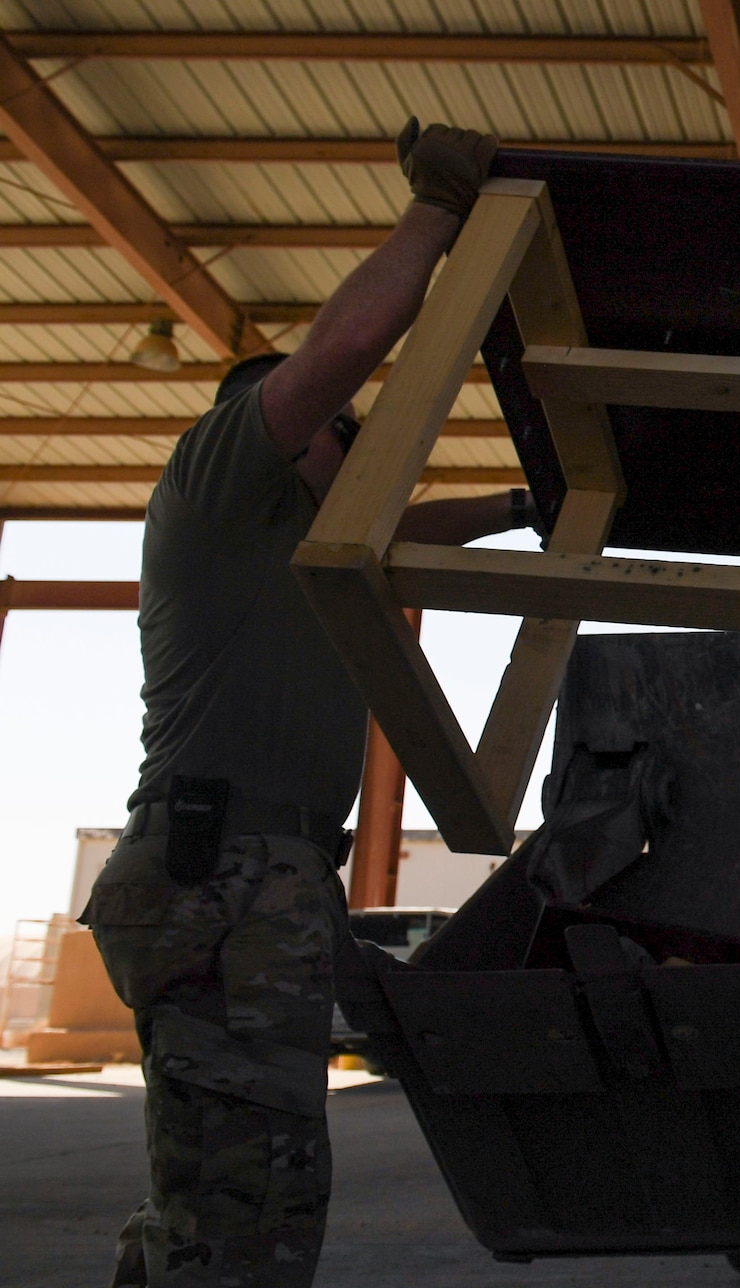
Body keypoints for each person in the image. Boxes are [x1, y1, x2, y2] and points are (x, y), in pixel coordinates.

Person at [79, 118, 531, 1287]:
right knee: (253, 1204)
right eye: (346, 435)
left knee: (210, 1183)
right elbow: (335, 355)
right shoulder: (223, 476)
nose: (363, 451)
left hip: (237, 874)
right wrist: (436, 214)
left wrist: (517, 506)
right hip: (219, 874)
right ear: (286, 435)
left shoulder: (302, 539)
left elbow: (403, 525)